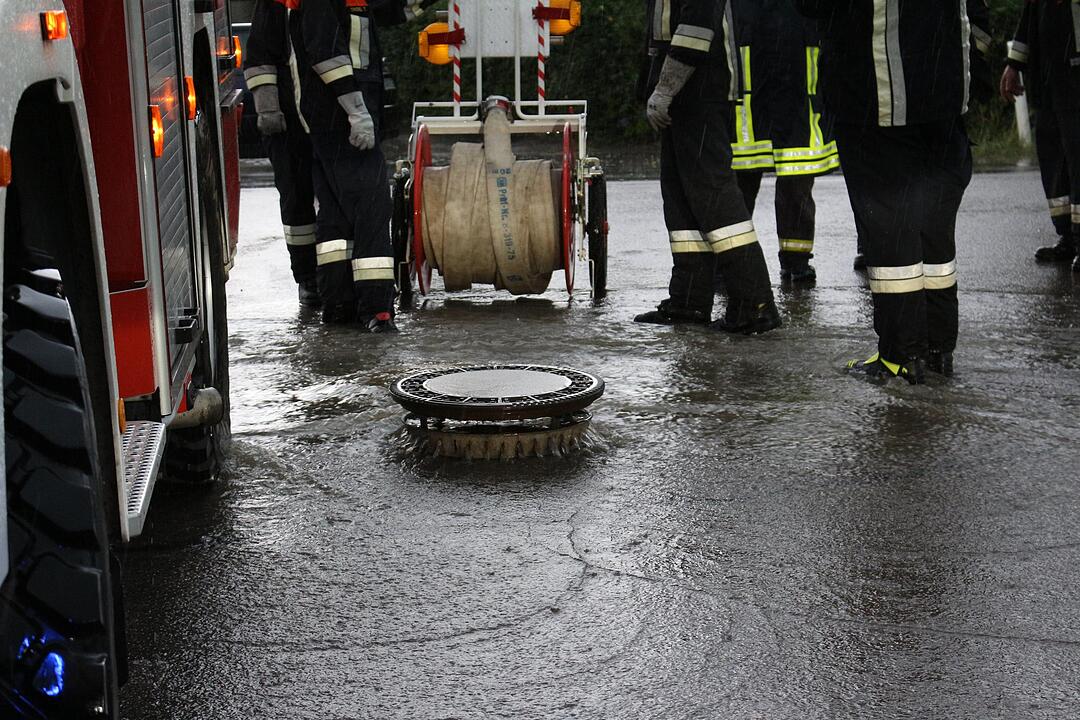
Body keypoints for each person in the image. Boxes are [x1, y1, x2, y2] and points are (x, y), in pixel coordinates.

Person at [795, 0, 991, 382]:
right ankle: (937, 350)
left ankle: (901, 356)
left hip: (875, 102)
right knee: (933, 233)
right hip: (944, 103)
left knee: (889, 231)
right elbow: (978, 21)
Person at [635, 0, 780, 334]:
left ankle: (754, 306)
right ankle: (688, 301)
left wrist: (664, 89)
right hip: (689, 89)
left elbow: (696, 30)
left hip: (699, 88)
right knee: (682, 202)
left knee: (715, 199)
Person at [289, 0, 432, 329]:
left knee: (337, 216)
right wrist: (355, 109)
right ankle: (377, 309)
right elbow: (325, 51)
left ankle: (340, 304)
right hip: (337, 114)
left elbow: (388, 9)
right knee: (373, 205)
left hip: (336, 113)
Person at [730, 0, 839, 285]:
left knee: (795, 172)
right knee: (746, 173)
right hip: (763, 64)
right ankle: (733, 261)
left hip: (792, 68)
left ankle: (795, 260)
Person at [244, 0, 320, 308]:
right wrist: (268, 108)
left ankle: (336, 277)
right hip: (286, 124)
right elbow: (259, 58)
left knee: (336, 201)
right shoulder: (273, 5)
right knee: (296, 199)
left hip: (321, 118)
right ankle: (307, 278)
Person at [1001, 0, 1080, 271]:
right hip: (1049, 80)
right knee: (1054, 159)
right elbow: (1030, 17)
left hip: (1075, 75)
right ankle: (1067, 236)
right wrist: (1014, 65)